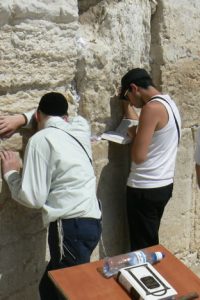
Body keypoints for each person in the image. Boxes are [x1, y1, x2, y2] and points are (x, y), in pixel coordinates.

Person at [0, 92, 102, 300]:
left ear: (38, 116)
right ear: (65, 117)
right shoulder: (80, 127)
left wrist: (11, 173)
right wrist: (23, 118)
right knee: (49, 288)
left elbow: (33, 197)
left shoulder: (40, 140)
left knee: (67, 292)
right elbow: (60, 118)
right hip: (91, 222)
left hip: (69, 227)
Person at [119, 68, 181, 251]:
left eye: (127, 95)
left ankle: (151, 279)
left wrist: (134, 135)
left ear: (134, 88)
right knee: (149, 241)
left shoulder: (151, 108)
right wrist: (127, 110)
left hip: (144, 188)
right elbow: (151, 132)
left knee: (143, 250)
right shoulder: (168, 103)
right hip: (163, 184)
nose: (130, 101)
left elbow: (138, 157)